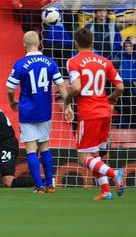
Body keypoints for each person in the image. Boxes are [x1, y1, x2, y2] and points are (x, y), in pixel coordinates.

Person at [64, 27, 126, 200]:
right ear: (92, 42)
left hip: (88, 113)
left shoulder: (74, 62)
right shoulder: (104, 61)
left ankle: (115, 174)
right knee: (95, 154)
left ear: (76, 43)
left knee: (84, 156)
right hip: (105, 112)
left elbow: (76, 87)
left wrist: (67, 102)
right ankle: (106, 191)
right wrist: (112, 98)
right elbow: (120, 86)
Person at [6, 31, 68, 193]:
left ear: (24, 44)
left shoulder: (20, 64)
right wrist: (68, 106)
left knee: (31, 149)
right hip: (44, 111)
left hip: (27, 112)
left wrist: (12, 100)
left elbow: (10, 87)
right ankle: (50, 184)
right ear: (39, 42)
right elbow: (61, 86)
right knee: (45, 147)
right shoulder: (50, 62)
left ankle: (39, 186)